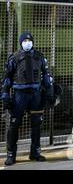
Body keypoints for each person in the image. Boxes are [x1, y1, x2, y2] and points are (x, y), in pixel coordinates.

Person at [1, 32, 56, 166]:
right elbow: (6, 79)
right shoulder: (14, 58)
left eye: (29, 40)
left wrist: (50, 93)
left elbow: (47, 77)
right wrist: (5, 96)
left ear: (32, 42)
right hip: (20, 95)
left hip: (36, 95)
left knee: (36, 124)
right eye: (24, 40)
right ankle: (11, 155)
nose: (27, 42)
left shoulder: (39, 57)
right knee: (14, 124)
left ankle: (35, 153)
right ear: (20, 42)